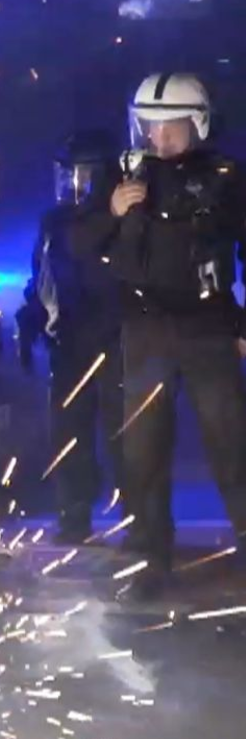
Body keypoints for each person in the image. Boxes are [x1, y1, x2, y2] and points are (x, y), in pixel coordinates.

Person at [71, 73, 246, 598]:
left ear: (197, 124)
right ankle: (150, 556)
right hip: (144, 330)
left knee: (230, 442)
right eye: (149, 125)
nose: (158, 138)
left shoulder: (226, 177)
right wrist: (112, 210)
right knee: (143, 450)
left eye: (170, 127)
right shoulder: (124, 175)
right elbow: (78, 243)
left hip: (208, 326)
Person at [17, 131, 124, 542]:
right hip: (69, 343)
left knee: (126, 436)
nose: (73, 185)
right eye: (67, 175)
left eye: (82, 176)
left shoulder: (120, 217)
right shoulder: (53, 220)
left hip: (115, 341)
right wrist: (30, 317)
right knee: (68, 435)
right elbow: (41, 278)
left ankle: (140, 521)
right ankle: (73, 517)